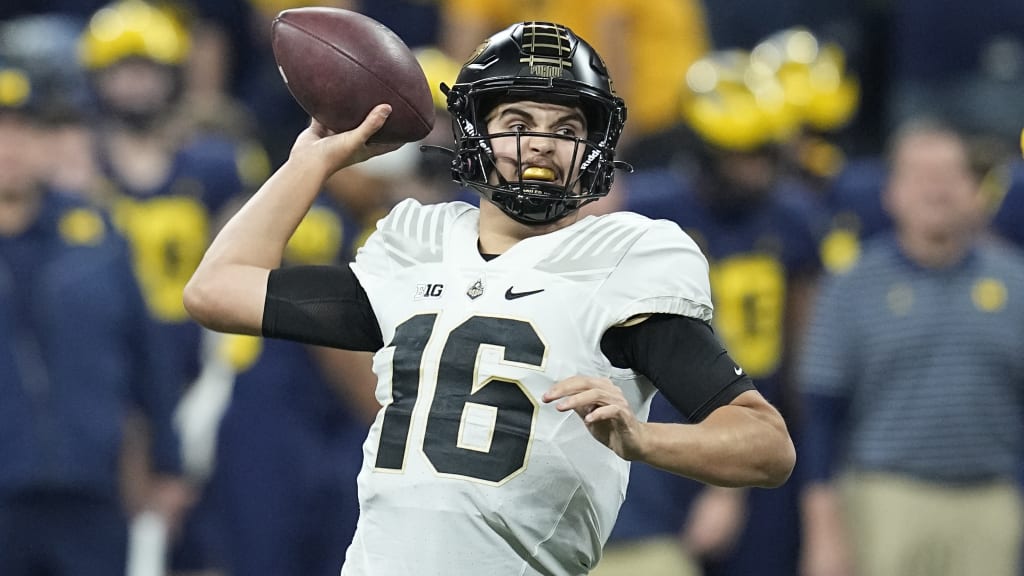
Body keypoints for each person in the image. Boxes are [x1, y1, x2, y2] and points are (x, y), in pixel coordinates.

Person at [184, 21, 795, 575]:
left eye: (567, 128)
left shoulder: (621, 258)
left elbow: (767, 446)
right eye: (518, 124)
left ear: (595, 148)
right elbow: (217, 289)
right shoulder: (418, 246)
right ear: (477, 133)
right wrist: (309, 163)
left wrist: (644, 439)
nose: (542, 145)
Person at [798, 119, 1024, 576]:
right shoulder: (851, 285)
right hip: (885, 498)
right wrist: (823, 530)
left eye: (950, 176)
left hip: (991, 499)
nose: (936, 190)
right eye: (920, 176)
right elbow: (820, 415)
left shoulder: (1015, 282)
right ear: (892, 192)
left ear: (976, 190)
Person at [0, 62, 190, 576]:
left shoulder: (98, 236)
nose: (9, 146)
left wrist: (167, 464)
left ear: (48, 143)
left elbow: (147, 357)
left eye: (24, 129)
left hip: (91, 487)